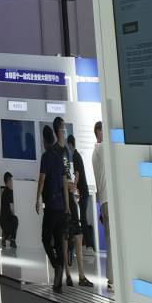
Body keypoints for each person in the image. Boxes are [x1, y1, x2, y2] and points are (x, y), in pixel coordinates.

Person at [35, 120, 71, 292]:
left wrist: (37, 199)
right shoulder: (59, 155)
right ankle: (58, 285)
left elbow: (42, 179)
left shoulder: (46, 157)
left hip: (50, 205)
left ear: (44, 140)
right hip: (61, 205)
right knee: (58, 242)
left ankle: (56, 265)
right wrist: (67, 206)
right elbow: (65, 181)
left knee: (45, 238)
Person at [67, 128, 93, 287]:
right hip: (83, 192)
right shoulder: (77, 156)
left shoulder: (75, 156)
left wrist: (73, 187)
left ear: (70, 145)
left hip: (83, 192)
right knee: (82, 219)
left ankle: (88, 245)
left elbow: (76, 174)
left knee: (82, 219)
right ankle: (86, 245)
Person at [92, 118, 111, 287]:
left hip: (104, 201)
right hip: (108, 200)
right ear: (99, 132)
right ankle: (112, 278)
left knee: (109, 240)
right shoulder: (104, 148)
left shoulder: (94, 153)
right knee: (112, 242)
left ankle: (111, 277)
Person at [0, 171, 19, 251]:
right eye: (10, 180)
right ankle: (11, 240)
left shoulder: (5, 191)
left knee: (13, 220)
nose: (11, 182)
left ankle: (5, 237)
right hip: (6, 221)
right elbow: (12, 209)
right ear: (6, 182)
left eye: (11, 180)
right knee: (15, 219)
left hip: (3, 220)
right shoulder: (9, 192)